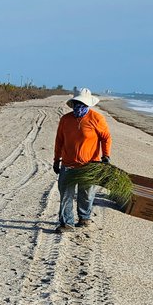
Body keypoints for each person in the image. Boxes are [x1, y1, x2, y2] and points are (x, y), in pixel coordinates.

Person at [53, 88, 112, 230]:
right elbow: (59, 141)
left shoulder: (96, 118)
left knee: (86, 195)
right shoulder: (65, 120)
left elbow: (106, 138)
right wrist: (56, 160)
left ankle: (84, 218)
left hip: (89, 165)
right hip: (68, 165)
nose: (78, 106)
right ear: (73, 103)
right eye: (76, 103)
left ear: (88, 104)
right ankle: (67, 223)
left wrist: (105, 155)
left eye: (82, 103)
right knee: (66, 195)